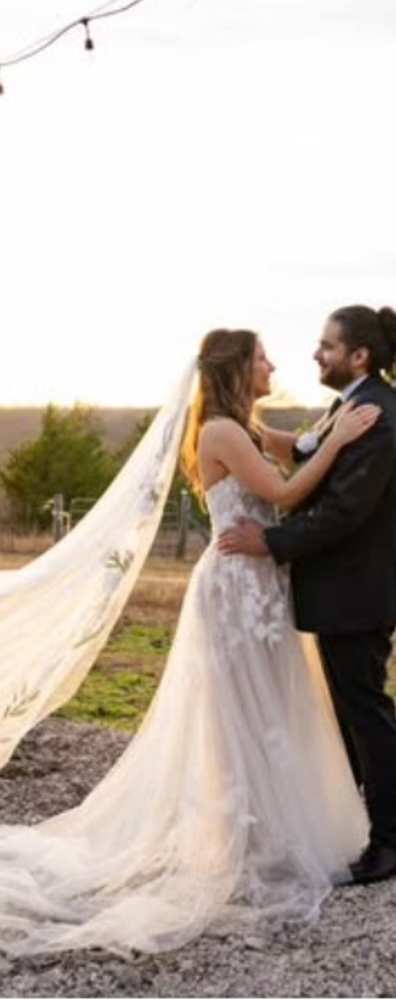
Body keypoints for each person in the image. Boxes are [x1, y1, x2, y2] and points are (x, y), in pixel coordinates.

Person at [0, 328, 380, 956]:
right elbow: (282, 492)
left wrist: (326, 436)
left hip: (262, 590)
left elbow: (294, 446)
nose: (273, 364)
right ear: (235, 369)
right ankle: (240, 842)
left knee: (272, 710)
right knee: (240, 715)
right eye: (261, 358)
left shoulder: (244, 424)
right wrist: (342, 444)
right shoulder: (221, 429)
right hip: (236, 591)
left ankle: (273, 834)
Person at [218, 305, 396, 886]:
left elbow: (344, 511)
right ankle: (351, 824)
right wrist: (249, 429)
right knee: (347, 712)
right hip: (338, 592)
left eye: (326, 346)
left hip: (359, 592)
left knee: (366, 713)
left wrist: (269, 540)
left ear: (359, 356)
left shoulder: (378, 415)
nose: (315, 355)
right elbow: (308, 449)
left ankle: (390, 842)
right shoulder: (350, 406)